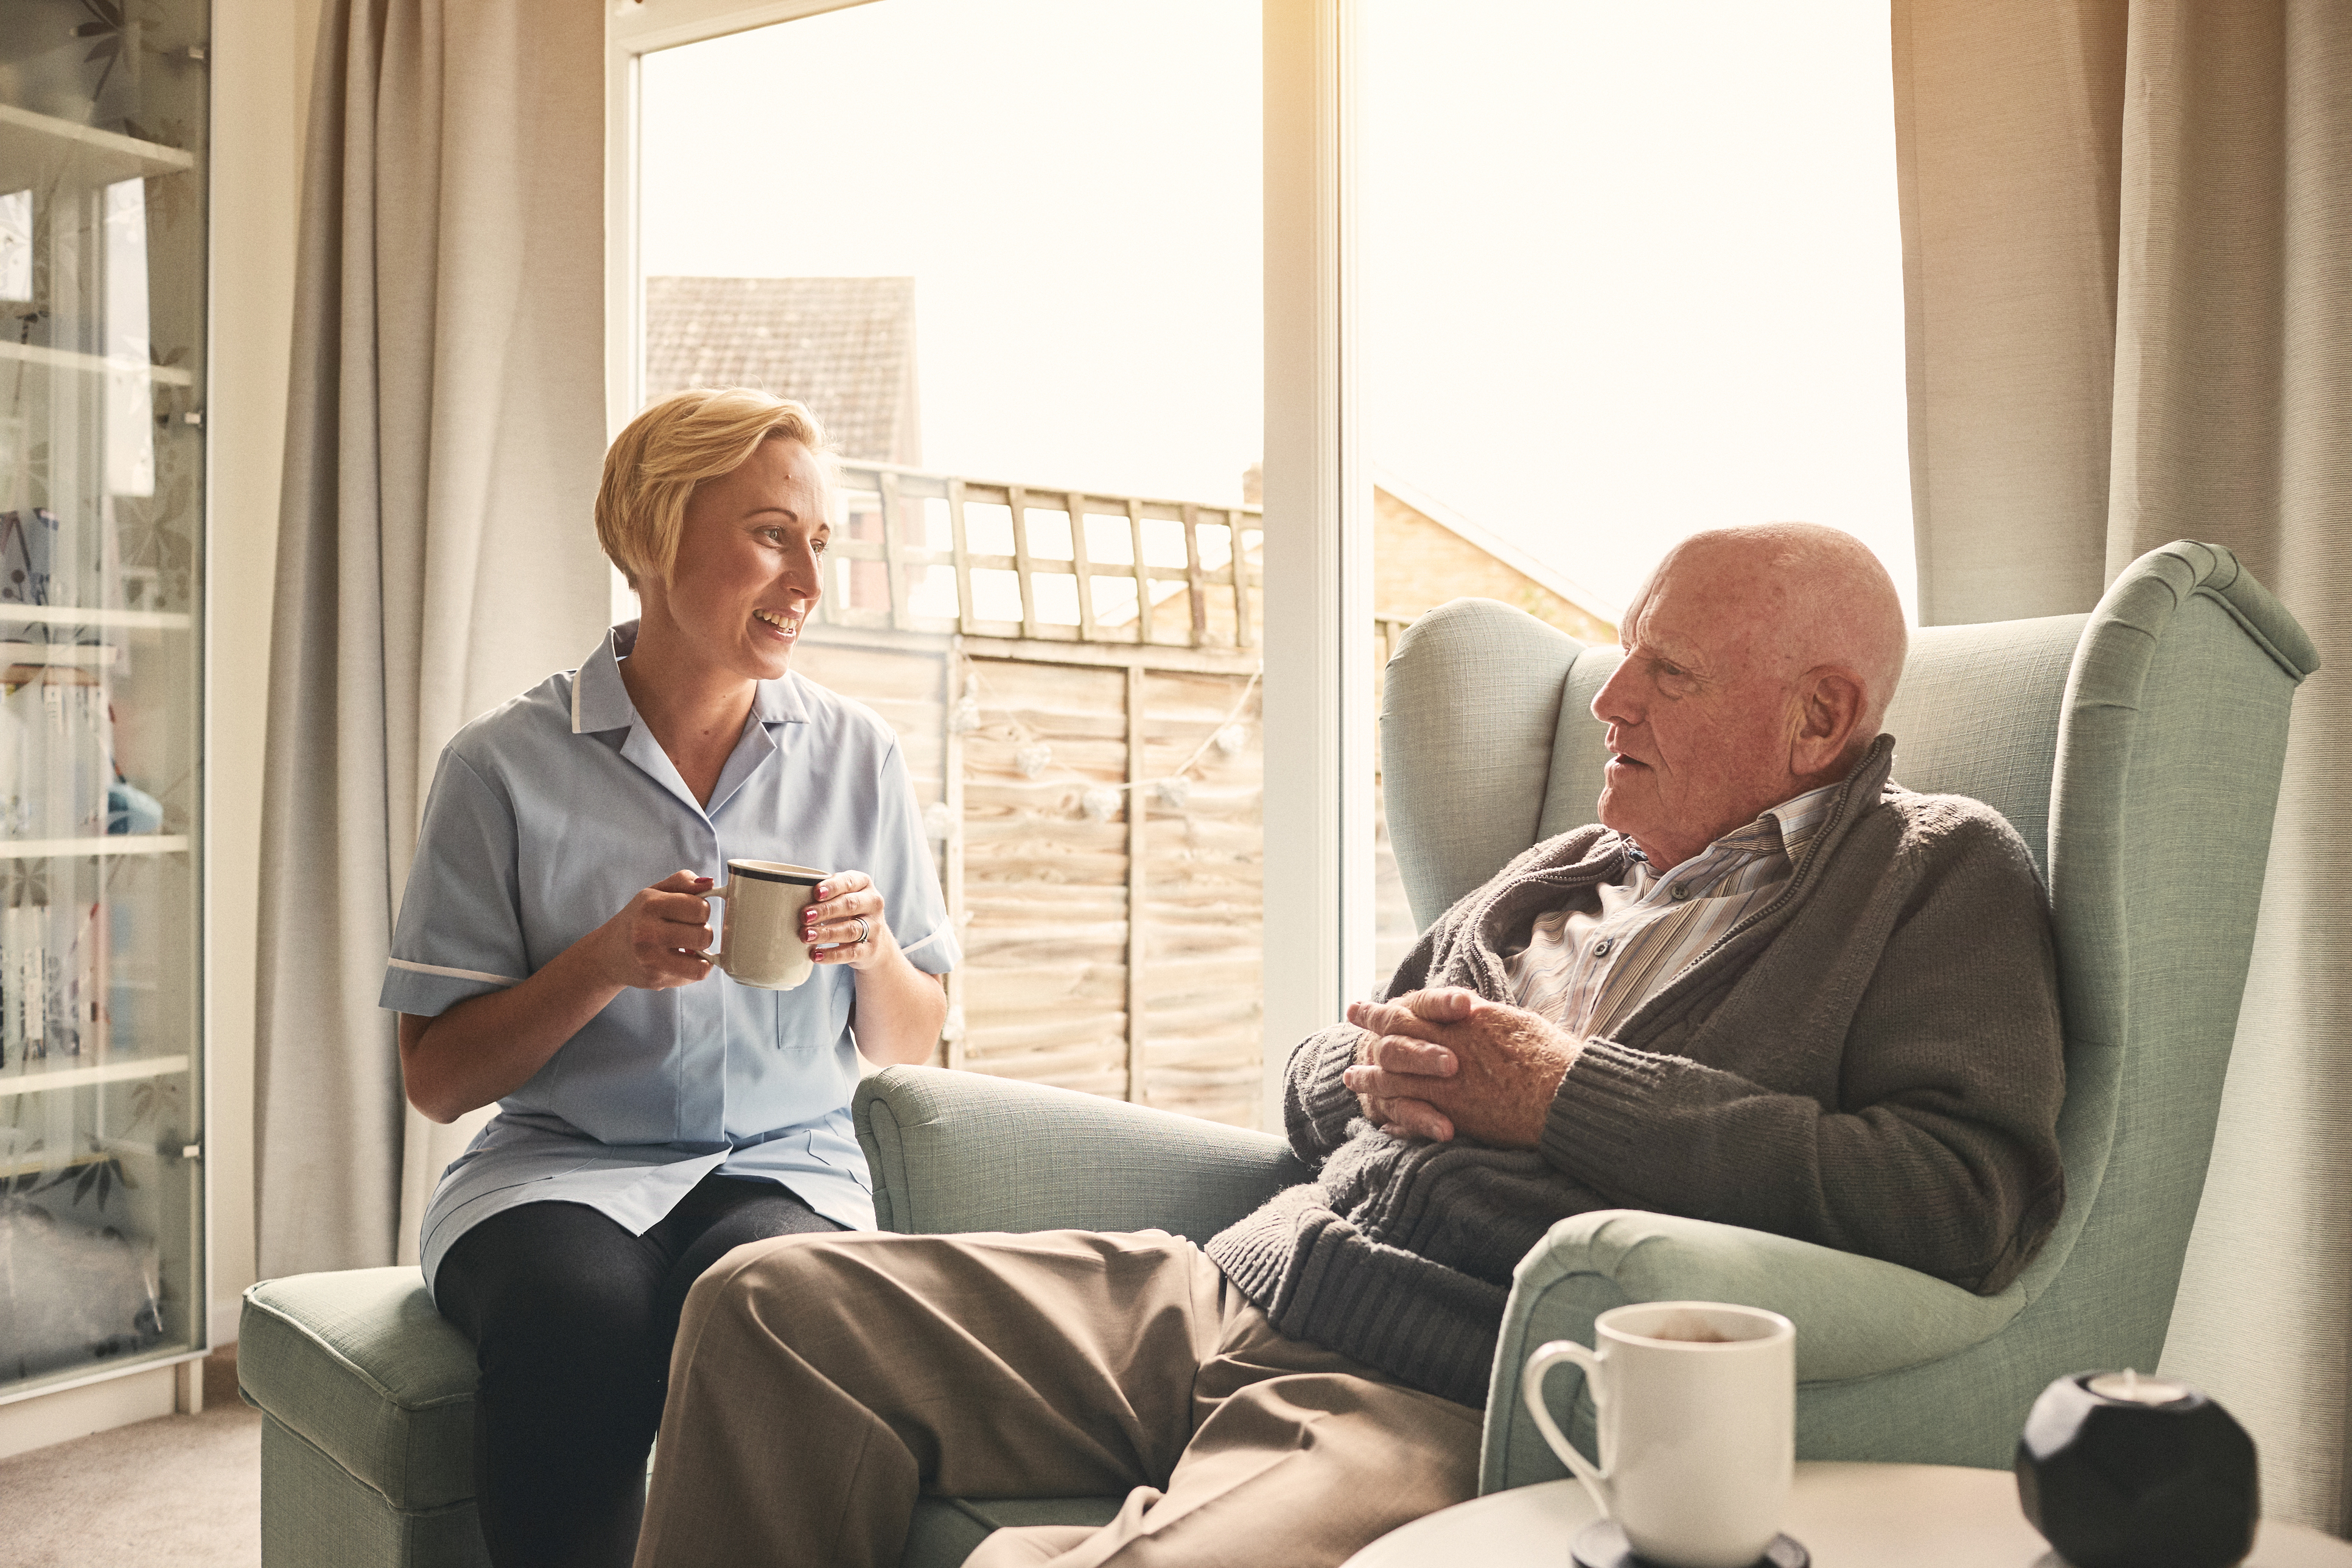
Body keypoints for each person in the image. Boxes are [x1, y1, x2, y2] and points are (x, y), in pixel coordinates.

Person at [629, 522, 2065, 1568]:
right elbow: (1333, 1066)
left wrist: (1569, 1098)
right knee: (769, 1303)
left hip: (1441, 1379)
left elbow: (1964, 1195)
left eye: (1665, 671)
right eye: (1621, 653)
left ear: (1820, 715)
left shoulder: (1928, 875)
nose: (1610, 699)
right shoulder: (1571, 861)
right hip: (1228, 1285)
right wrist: (1359, 1072)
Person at [381, 387, 957, 1568]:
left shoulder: (861, 754)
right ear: (653, 535)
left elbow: (912, 1041)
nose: (809, 581)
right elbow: (438, 1077)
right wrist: (602, 961)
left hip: (786, 1159)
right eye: (770, 533)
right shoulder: (501, 766)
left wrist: (875, 951)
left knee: (776, 1300)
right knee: (571, 1315)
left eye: (822, 542)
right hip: (558, 1166)